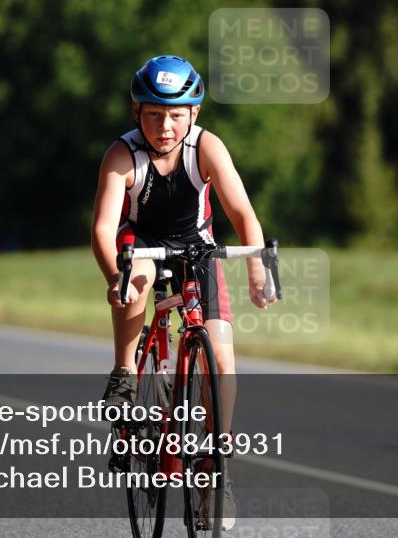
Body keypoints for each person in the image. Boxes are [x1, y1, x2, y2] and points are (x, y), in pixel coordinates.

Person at [91, 55, 276, 530]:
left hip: (198, 246)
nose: (165, 125)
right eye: (153, 114)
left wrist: (257, 266)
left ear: (194, 113)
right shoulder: (122, 155)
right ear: (137, 113)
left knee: (221, 354)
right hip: (140, 241)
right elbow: (103, 228)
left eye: (176, 114)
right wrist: (116, 277)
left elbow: (243, 215)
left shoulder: (207, 147)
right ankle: (126, 372)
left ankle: (217, 468)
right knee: (138, 280)